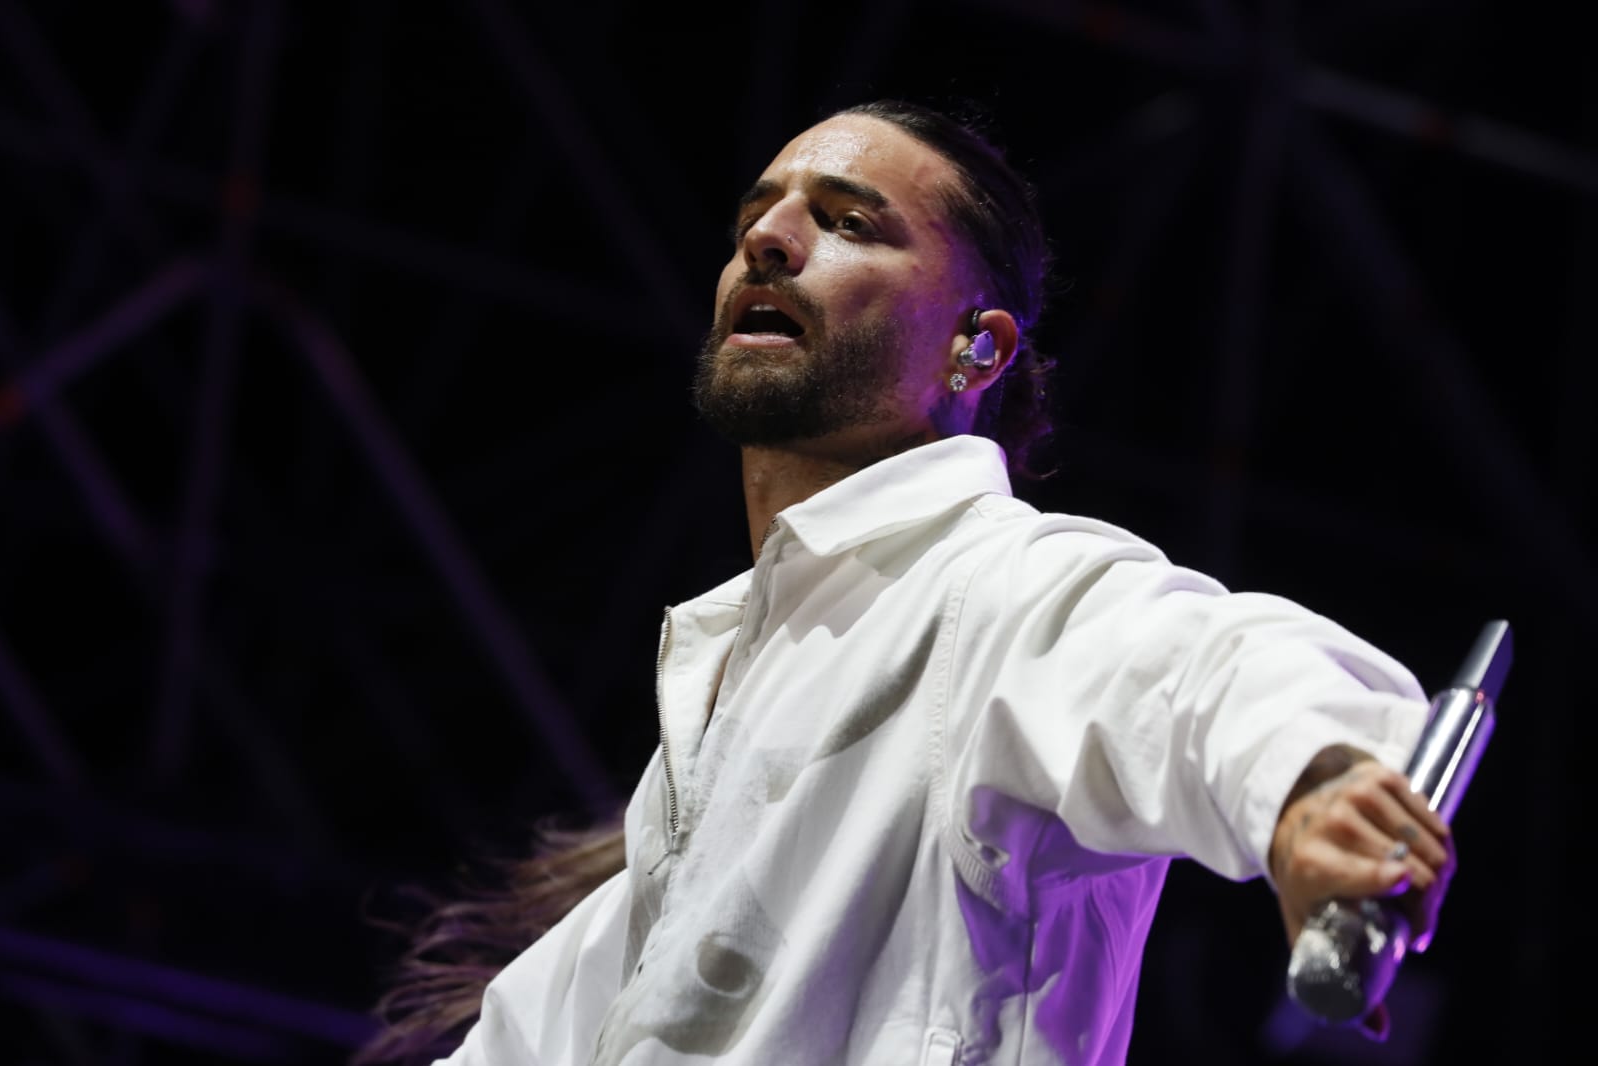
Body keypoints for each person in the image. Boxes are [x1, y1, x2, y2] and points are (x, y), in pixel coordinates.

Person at [363, 99, 1455, 1066]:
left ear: (974, 352)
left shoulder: (996, 588)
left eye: (845, 221)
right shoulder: (726, 705)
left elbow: (1203, 668)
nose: (767, 237)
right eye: (760, 208)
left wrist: (1315, 785)